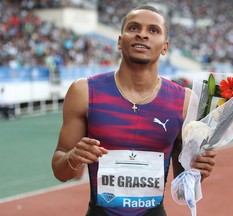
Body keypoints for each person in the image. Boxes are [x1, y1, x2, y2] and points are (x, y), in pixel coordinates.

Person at [51, 5, 217, 216]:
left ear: (164, 47)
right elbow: (61, 171)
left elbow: (184, 187)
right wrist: (74, 157)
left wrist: (198, 171)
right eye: (134, 27)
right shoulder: (84, 92)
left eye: (153, 30)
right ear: (120, 41)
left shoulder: (184, 101)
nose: (142, 34)